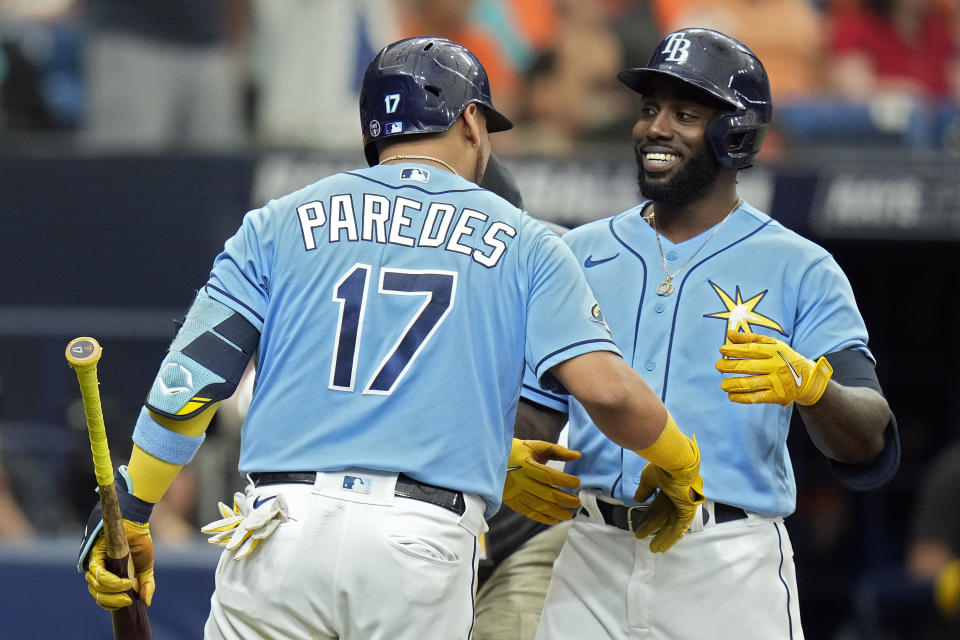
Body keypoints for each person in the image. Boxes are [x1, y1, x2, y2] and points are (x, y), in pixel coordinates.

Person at [76, 37, 707, 640]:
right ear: (469, 122)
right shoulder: (529, 240)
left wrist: (133, 510)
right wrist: (680, 460)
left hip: (278, 529)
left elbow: (190, 383)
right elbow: (608, 392)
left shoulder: (277, 220)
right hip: (420, 539)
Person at [520, 28, 900, 640]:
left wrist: (811, 386)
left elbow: (868, 437)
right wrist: (506, 452)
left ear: (737, 134)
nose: (655, 128)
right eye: (649, 110)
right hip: (592, 554)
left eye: (685, 114)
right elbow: (535, 409)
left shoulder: (799, 265)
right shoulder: (577, 253)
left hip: (727, 561)